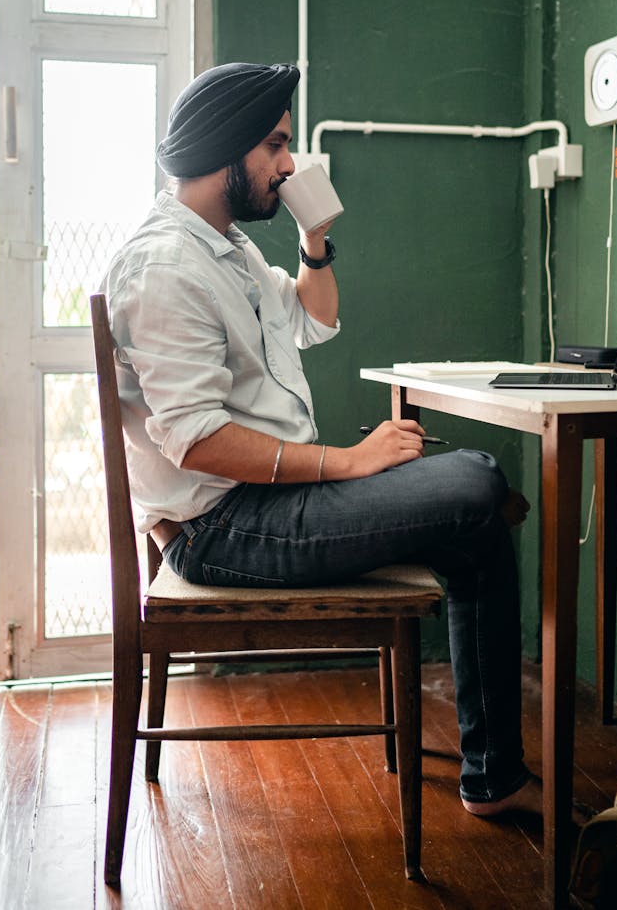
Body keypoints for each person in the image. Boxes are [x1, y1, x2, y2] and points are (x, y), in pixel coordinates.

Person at [101, 61, 540, 817]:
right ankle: (494, 772)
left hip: (267, 502)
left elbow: (315, 318)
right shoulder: (167, 266)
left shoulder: (225, 246)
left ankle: (493, 775)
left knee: (472, 501)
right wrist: (349, 463)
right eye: (275, 145)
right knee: (473, 484)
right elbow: (198, 441)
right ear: (225, 147)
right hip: (227, 526)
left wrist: (314, 237)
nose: (288, 163)